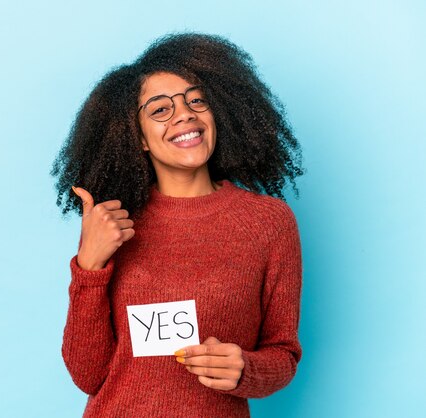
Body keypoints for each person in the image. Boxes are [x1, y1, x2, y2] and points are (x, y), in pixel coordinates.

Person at [51, 33, 304, 417]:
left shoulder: (267, 222)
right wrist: (89, 266)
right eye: (160, 110)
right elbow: (88, 375)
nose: (185, 114)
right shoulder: (114, 224)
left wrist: (245, 370)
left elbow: (283, 353)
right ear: (139, 138)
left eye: (196, 101)